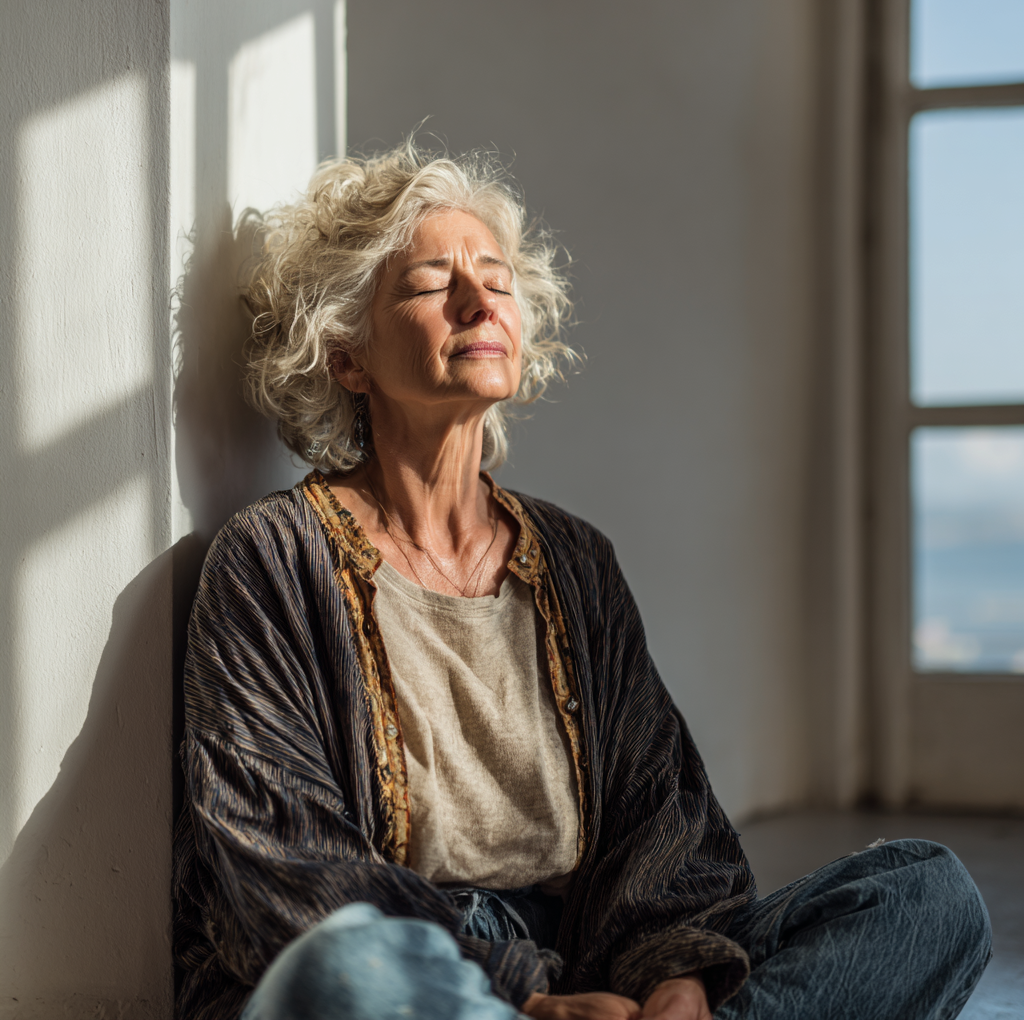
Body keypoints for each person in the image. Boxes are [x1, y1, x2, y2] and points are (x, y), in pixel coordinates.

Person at [173, 143, 992, 1020]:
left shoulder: (574, 560)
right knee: (345, 971)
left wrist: (675, 979)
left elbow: (662, 818)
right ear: (348, 358)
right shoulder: (272, 558)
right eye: (432, 284)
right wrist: (523, 997)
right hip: (424, 965)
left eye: (495, 278)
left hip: (590, 957)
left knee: (928, 895)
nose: (480, 300)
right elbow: (281, 859)